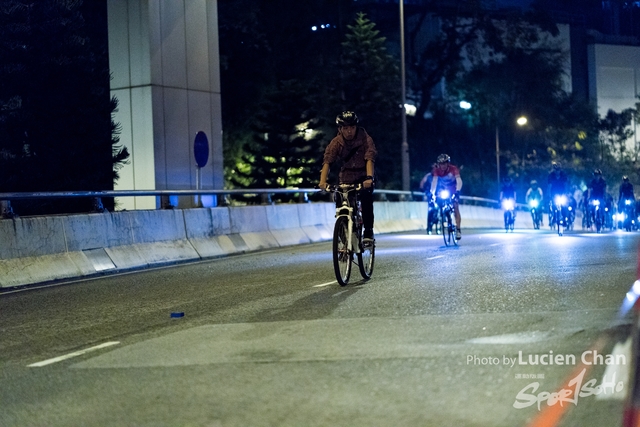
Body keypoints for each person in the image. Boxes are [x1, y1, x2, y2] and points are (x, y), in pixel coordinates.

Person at [319, 111, 377, 243]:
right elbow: (327, 161)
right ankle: (344, 237)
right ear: (340, 129)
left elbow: (370, 158)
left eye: (352, 127)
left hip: (364, 175)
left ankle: (368, 230)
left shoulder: (365, 139)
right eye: (345, 128)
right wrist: (322, 182)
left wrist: (369, 178)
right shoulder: (336, 142)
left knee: (366, 197)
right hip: (346, 176)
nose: (349, 131)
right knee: (340, 200)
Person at [430, 153, 463, 239]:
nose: (443, 165)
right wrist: (432, 193)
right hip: (443, 189)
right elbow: (434, 182)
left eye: (444, 163)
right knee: (438, 201)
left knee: (455, 206)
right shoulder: (436, 170)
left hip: (453, 189)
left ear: (448, 163)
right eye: (441, 164)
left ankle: (458, 229)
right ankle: (442, 217)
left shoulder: (453, 169)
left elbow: (459, 181)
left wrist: (457, 191)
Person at [420, 168, 438, 234]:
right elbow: (422, 184)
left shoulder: (441, 176)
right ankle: (429, 226)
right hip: (430, 195)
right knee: (430, 209)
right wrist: (423, 190)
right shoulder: (428, 176)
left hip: (439, 194)